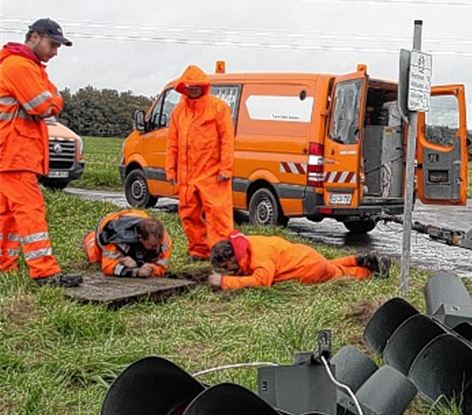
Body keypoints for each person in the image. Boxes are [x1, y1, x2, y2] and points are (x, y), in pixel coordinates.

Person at [0, 18, 82, 287]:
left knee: (7, 214)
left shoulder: (27, 66)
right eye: (52, 44)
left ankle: (5, 265)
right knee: (30, 211)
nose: (55, 51)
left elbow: (50, 98)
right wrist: (52, 100)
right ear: (34, 37)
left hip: (11, 152)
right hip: (15, 153)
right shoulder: (20, 66)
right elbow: (45, 105)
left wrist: (51, 98)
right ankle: (44, 272)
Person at [165, 64, 234, 261]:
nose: (194, 89)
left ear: (204, 86)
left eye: (197, 86)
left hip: (213, 173)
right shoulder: (179, 112)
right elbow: (172, 143)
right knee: (189, 214)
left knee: (218, 214)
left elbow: (227, 139)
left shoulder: (218, 108)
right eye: (190, 86)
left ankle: (222, 254)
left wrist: (226, 168)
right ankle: (198, 251)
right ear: (183, 87)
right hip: (187, 175)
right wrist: (171, 170)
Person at [208, 231, 391, 291]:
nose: (227, 270)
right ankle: (357, 259)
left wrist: (224, 282)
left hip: (309, 269)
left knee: (340, 274)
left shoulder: (259, 258)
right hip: (305, 256)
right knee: (329, 264)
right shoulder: (248, 243)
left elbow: (261, 281)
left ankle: (370, 273)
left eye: (226, 266)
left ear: (233, 256)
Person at [82, 209, 172, 278]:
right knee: (95, 259)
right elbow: (107, 267)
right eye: (153, 246)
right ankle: (89, 237)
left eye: (159, 244)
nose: (157, 248)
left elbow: (162, 268)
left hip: (137, 216)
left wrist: (145, 267)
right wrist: (134, 271)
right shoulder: (114, 238)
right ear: (140, 239)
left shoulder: (164, 240)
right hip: (110, 225)